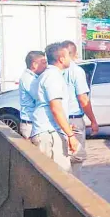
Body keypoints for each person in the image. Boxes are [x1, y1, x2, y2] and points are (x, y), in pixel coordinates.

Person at [29, 43, 79, 173]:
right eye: (68, 55)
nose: (70, 58)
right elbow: (56, 108)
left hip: (49, 131)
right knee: (61, 178)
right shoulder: (53, 77)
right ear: (61, 59)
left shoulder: (48, 75)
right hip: (49, 134)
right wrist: (70, 135)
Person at [61, 40, 99, 179]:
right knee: (76, 159)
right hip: (74, 120)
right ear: (75, 54)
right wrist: (93, 121)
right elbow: (83, 99)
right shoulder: (76, 71)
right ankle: (72, 192)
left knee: (62, 158)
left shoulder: (53, 71)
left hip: (58, 121)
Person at [19, 51, 47, 139]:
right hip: (30, 124)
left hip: (32, 123)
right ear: (34, 64)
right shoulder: (29, 79)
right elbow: (40, 97)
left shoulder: (33, 77)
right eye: (43, 63)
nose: (46, 66)